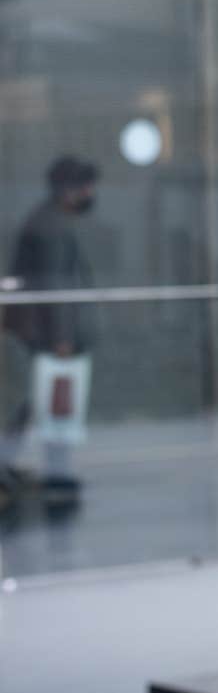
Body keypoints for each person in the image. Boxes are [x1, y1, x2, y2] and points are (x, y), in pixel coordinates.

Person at [2, 155, 102, 502]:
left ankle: (10, 465)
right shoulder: (51, 225)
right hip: (49, 334)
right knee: (53, 402)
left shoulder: (48, 220)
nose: (90, 193)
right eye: (85, 187)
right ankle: (54, 472)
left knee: (35, 402)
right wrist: (62, 336)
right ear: (69, 189)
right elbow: (54, 285)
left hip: (39, 331)